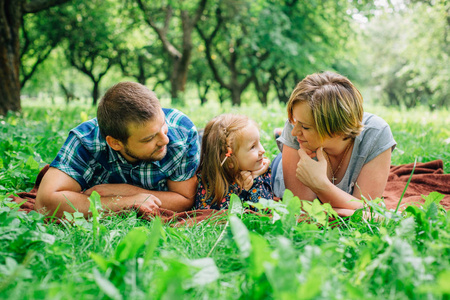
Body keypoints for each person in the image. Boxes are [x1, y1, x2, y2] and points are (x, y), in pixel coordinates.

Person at [35, 82, 200, 217]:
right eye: (149, 138)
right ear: (115, 143)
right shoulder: (86, 141)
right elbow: (45, 203)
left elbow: (185, 200)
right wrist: (126, 202)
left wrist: (124, 191)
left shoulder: (181, 133)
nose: (165, 139)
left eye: (162, 125)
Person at [271, 71, 396, 216]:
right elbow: (305, 211)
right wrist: (353, 212)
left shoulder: (377, 133)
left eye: (305, 127)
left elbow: (369, 210)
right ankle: (283, 141)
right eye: (294, 122)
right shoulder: (296, 130)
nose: (295, 132)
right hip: (278, 170)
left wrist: (319, 183)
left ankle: (281, 137)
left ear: (336, 130)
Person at [194, 114, 273, 210]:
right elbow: (213, 213)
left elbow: (265, 210)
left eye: (259, 142)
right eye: (253, 147)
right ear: (230, 160)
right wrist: (243, 191)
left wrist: (256, 179)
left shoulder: (262, 170)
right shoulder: (209, 181)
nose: (262, 150)